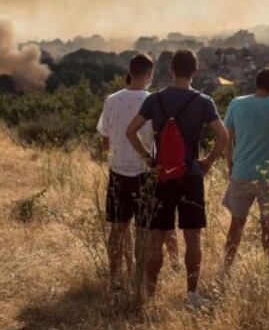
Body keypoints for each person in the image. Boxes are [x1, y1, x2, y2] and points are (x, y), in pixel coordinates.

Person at [125, 49, 229, 308]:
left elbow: (131, 131)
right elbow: (224, 136)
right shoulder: (204, 101)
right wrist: (208, 161)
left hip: (162, 176)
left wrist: (149, 158)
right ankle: (192, 295)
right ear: (195, 71)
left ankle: (149, 294)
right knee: (192, 237)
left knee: (156, 238)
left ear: (170, 69)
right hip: (191, 175)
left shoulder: (155, 100)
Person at [219, 67, 269, 277]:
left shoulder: (238, 103)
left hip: (241, 172)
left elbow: (227, 136)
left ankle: (226, 268)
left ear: (257, 84)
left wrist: (230, 163)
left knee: (236, 224)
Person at [97, 53, 154, 291]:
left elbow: (105, 137)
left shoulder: (112, 99)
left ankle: (114, 278)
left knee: (118, 229)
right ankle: (138, 278)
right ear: (150, 74)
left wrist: (109, 156)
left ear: (130, 72)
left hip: (118, 171)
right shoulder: (153, 100)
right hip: (144, 172)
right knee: (142, 231)